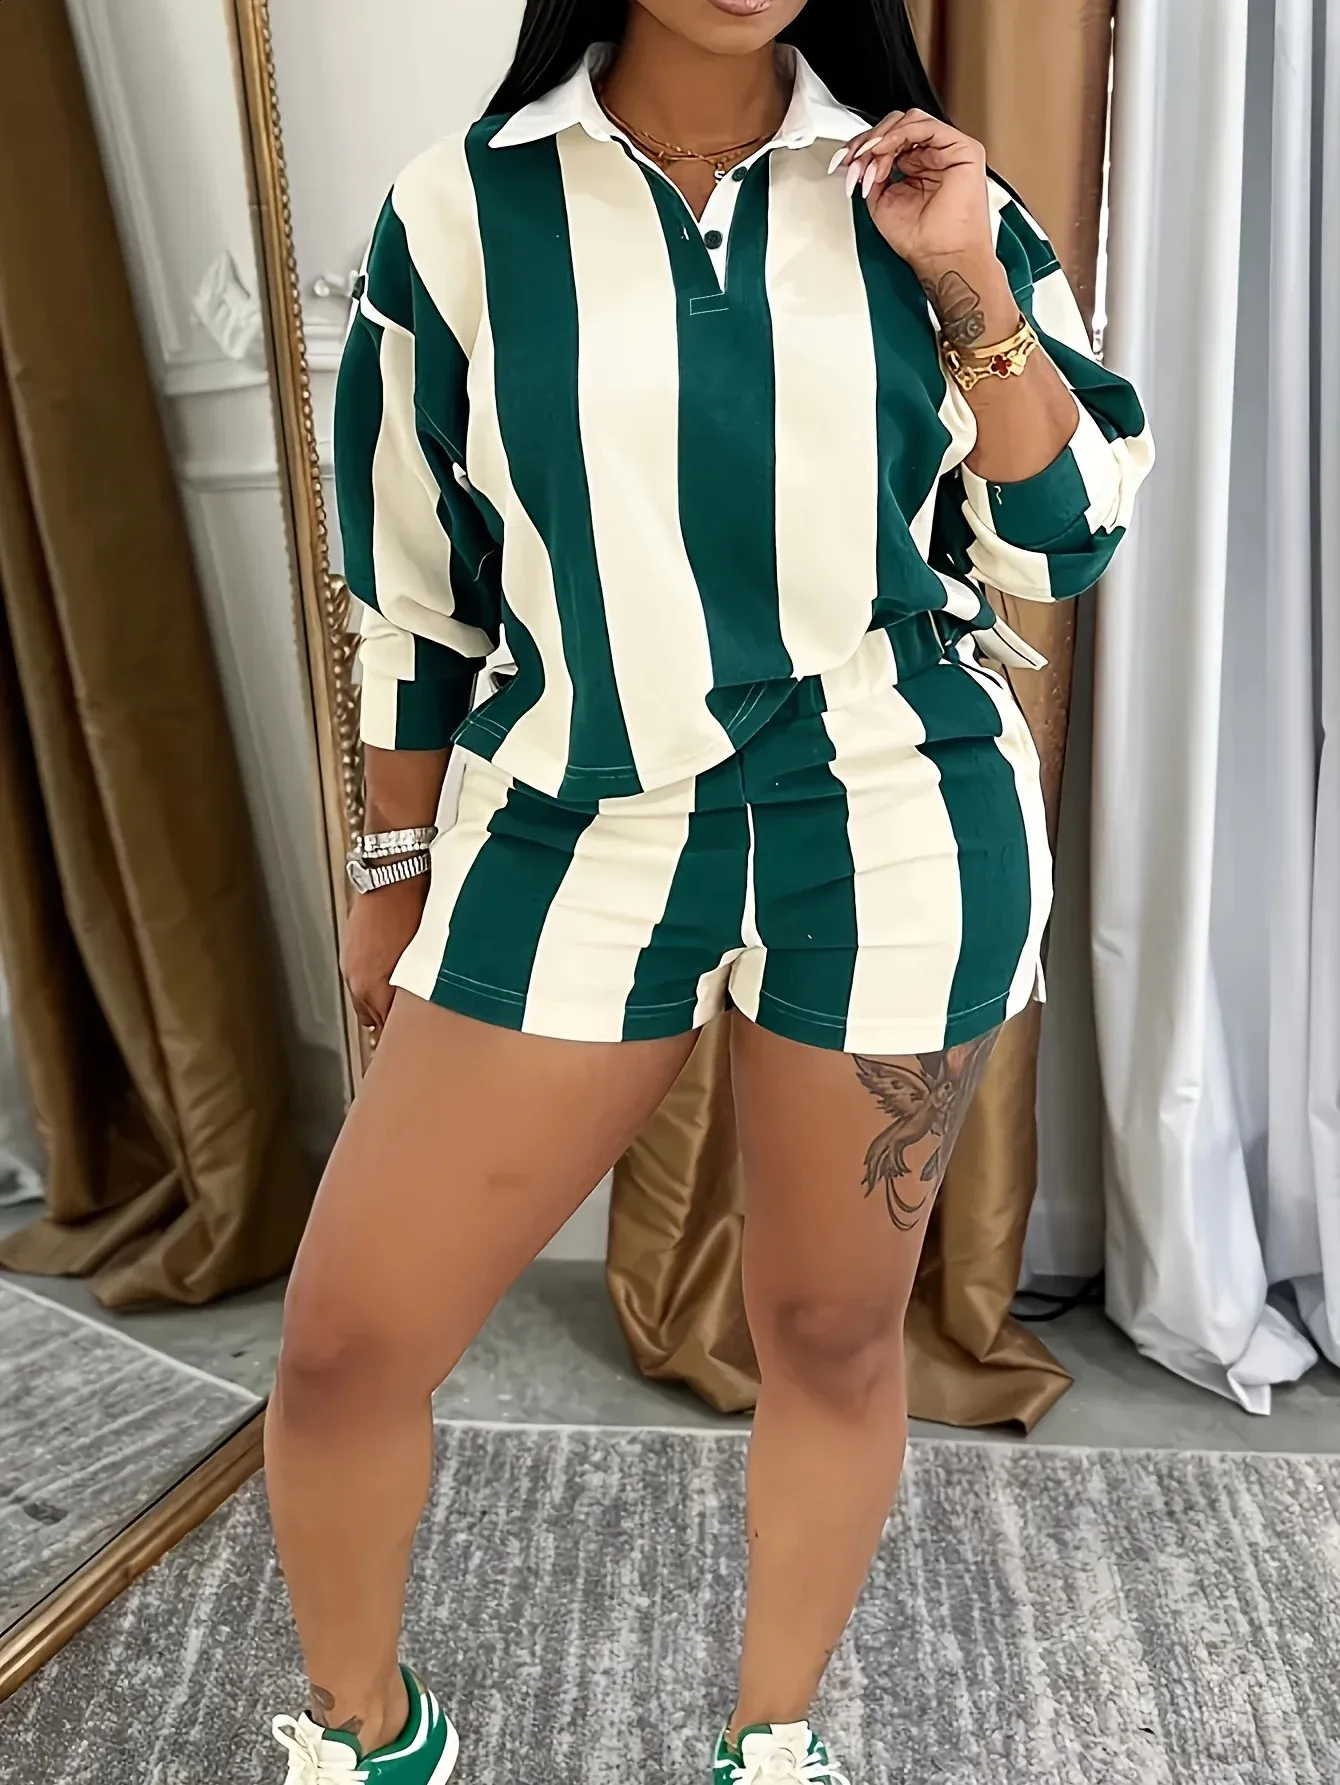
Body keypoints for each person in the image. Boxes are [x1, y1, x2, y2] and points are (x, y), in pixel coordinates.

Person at [265, 1, 1153, 1780]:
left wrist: (962, 276)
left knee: (829, 1329)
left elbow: (1065, 538)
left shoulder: (931, 194)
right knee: (349, 1344)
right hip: (573, 824)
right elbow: (415, 589)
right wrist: (393, 862)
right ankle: (370, 1739)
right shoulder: (461, 210)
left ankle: (775, 1742)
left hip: (895, 823)